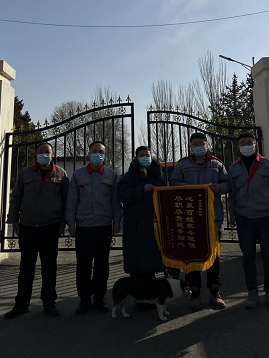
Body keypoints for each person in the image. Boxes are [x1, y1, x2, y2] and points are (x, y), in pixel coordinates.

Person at [5, 142, 69, 319]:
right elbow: (16, 196)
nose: (43, 154)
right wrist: (13, 218)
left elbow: (66, 200)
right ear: (35, 154)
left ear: (52, 154)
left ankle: (49, 303)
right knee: (26, 267)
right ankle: (21, 304)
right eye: (40, 152)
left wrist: (64, 221)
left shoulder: (61, 174)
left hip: (50, 226)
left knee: (49, 267)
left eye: (46, 152)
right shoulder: (26, 173)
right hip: (27, 226)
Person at [170, 132, 230, 310]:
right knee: (191, 257)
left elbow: (228, 184)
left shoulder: (217, 164)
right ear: (190, 146)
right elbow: (173, 183)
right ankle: (194, 293)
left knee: (214, 258)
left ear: (206, 145)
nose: (198, 146)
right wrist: (191, 188)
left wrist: (220, 187)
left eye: (201, 143)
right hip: (190, 218)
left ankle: (214, 292)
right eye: (195, 144)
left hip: (213, 218)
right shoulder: (182, 164)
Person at [228, 132, 269, 309]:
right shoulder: (234, 168)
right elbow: (232, 194)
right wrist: (232, 216)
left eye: (249, 142)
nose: (246, 146)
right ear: (238, 147)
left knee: (268, 255)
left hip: (266, 217)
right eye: (242, 143)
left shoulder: (267, 164)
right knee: (248, 257)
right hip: (244, 218)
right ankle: (252, 292)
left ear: (255, 145)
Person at [65, 141, 122, 315]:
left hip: (104, 227)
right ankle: (84, 299)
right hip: (83, 227)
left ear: (105, 154)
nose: (98, 154)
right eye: (94, 151)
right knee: (83, 264)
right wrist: (71, 222)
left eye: (101, 152)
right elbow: (72, 200)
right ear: (89, 154)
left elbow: (115, 201)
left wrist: (117, 220)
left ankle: (99, 298)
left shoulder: (111, 175)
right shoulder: (78, 175)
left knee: (101, 265)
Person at [118, 146, 165, 310]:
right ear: (136, 158)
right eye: (141, 155)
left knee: (150, 264)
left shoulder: (157, 175)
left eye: (148, 155)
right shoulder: (129, 176)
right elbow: (123, 195)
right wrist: (141, 190)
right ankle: (138, 299)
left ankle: (150, 297)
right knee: (137, 266)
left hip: (153, 225)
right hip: (135, 226)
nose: (145, 157)